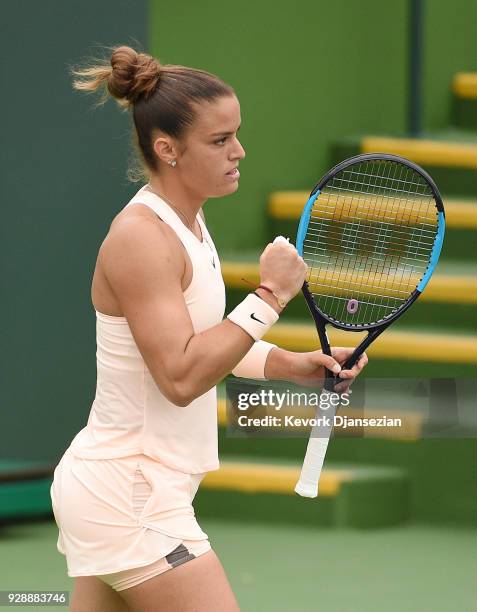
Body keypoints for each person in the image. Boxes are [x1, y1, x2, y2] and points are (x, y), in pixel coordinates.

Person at [50, 45, 368, 612]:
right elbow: (179, 375)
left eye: (236, 135)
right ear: (167, 149)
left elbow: (203, 339)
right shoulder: (141, 239)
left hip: (132, 490)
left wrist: (291, 365)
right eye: (220, 141)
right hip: (131, 495)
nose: (239, 151)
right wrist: (269, 296)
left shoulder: (190, 221)